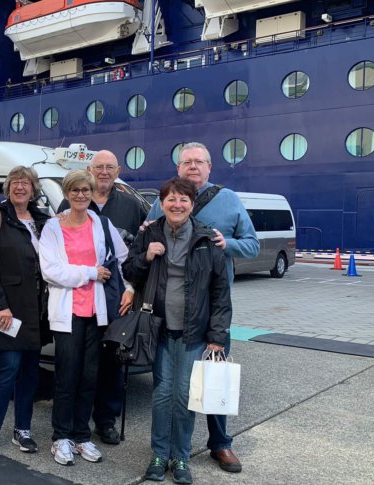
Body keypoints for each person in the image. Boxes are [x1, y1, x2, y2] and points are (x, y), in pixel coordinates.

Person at [147, 142, 258, 473]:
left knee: (213, 376)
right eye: (186, 162)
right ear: (178, 168)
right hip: (171, 310)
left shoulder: (229, 199)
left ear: (210, 167)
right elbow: (147, 239)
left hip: (211, 307)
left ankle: (220, 444)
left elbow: (252, 246)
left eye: (199, 162)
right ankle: (165, 449)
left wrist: (229, 243)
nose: (193, 166)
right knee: (171, 389)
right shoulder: (162, 201)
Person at [124, 178, 232, 484]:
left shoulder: (207, 239)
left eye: (183, 199)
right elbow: (128, 271)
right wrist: (146, 256)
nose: (177, 204)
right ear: (162, 203)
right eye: (171, 199)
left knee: (185, 395)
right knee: (161, 395)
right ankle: (159, 454)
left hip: (194, 333)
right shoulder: (150, 233)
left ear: (192, 204)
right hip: (158, 329)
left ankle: (181, 456)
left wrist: (217, 337)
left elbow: (220, 292)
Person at [58, 149, 147, 445]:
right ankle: (73, 422)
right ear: (89, 169)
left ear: (118, 169)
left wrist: (132, 288)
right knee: (81, 364)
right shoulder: (69, 202)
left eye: (110, 167)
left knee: (111, 362)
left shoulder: (132, 205)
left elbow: (134, 253)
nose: (104, 172)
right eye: (99, 167)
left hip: (116, 299)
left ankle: (106, 420)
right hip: (79, 300)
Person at [39, 169, 127, 466]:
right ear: (66, 194)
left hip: (96, 312)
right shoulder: (52, 227)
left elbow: (121, 256)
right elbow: (50, 271)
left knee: (90, 376)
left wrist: (127, 287)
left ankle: (81, 435)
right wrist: (90, 272)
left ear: (92, 193)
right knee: (67, 375)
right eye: (74, 190)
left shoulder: (101, 223)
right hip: (67, 313)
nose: (80, 195)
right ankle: (60, 436)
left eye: (85, 190)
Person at [0, 166, 50, 455]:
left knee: (30, 371)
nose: (20, 187)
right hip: (9, 309)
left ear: (33, 189)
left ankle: (23, 430)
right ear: (8, 188)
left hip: (37, 311)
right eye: (15, 183)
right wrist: (1, 305)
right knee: (8, 368)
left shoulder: (43, 221)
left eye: (26, 183)